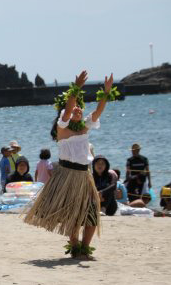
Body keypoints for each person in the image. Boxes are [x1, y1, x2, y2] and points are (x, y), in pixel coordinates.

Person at [24, 71, 116, 261]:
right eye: (75, 108)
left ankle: (85, 248)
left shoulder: (85, 127)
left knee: (91, 214)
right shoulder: (62, 130)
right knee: (73, 214)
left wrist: (106, 92)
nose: (77, 110)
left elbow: (98, 112)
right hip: (67, 176)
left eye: (79, 108)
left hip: (84, 177)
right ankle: (75, 248)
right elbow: (67, 110)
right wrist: (75, 89)